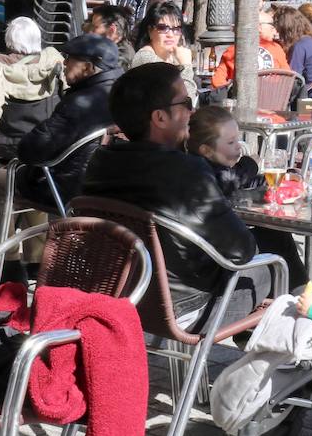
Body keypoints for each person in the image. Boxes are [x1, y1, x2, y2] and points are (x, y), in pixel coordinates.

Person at [81, 64, 267, 323]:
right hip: (178, 310)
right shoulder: (186, 170)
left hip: (118, 295)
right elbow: (241, 251)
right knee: (265, 267)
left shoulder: (101, 161)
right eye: (186, 102)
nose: (192, 111)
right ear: (160, 118)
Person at [0, 34, 121, 260]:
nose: (64, 62)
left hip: (66, 187)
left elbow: (31, 150)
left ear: (88, 67)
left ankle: (5, 263)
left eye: (69, 58)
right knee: (33, 170)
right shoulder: (121, 92)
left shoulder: (80, 103)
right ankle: (34, 259)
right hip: (101, 184)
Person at [186, 106, 309, 288]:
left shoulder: (191, 165)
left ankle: (302, 293)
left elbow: (238, 182)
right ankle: (303, 294)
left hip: (207, 256)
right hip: (214, 262)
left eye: (238, 139)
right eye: (230, 143)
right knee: (276, 237)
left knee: (273, 234)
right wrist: (250, 164)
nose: (238, 147)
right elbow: (230, 180)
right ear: (206, 150)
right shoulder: (206, 174)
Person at [0, 17, 61, 161]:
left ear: (8, 41)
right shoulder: (54, 65)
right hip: (45, 148)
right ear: (37, 39)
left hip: (5, 148)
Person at [211, 6, 289, 92]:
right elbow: (288, 78)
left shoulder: (233, 50)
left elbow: (217, 82)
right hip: (273, 101)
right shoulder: (276, 49)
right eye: (272, 26)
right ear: (259, 27)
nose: (275, 31)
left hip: (241, 102)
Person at [132, 0, 198, 101]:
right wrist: (186, 66)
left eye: (176, 29)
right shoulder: (145, 59)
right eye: (163, 28)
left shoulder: (173, 57)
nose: (170, 34)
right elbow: (185, 102)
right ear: (150, 31)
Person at [272, 5, 312, 100]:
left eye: (279, 31)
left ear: (286, 30)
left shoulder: (300, 46)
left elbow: (291, 79)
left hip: (311, 99)